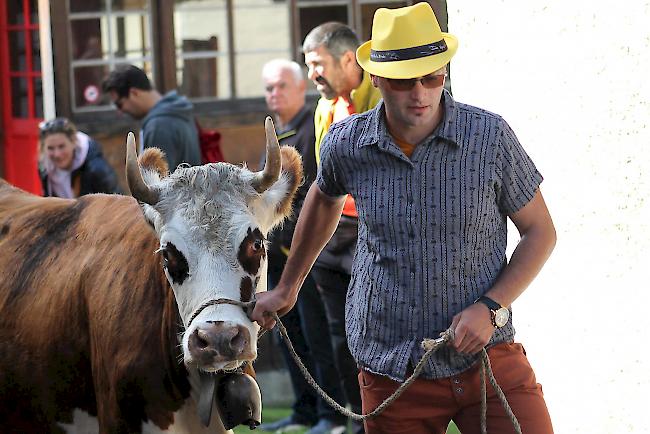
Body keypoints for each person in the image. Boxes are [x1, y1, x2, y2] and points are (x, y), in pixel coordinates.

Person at [253, 3, 557, 434]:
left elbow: (540, 231)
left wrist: (492, 307)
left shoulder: (490, 137)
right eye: (402, 81)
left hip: (487, 356)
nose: (420, 92)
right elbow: (323, 198)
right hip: (390, 361)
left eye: (431, 77)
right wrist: (288, 287)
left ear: (444, 73)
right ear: (377, 79)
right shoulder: (346, 143)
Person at [258, 59, 348, 434]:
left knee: (321, 337)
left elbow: (324, 193)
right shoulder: (276, 135)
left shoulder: (315, 126)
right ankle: (305, 410)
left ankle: (332, 413)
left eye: (281, 86)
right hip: (276, 255)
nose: (274, 94)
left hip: (308, 256)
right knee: (290, 337)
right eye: (268, 88)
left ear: (299, 88)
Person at [300, 21, 382, 434]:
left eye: (317, 64)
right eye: (308, 65)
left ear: (348, 59)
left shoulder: (382, 97)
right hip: (336, 234)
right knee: (339, 337)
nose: (312, 74)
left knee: (376, 330)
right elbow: (325, 180)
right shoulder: (322, 108)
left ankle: (384, 418)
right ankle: (355, 419)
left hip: (372, 232)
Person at [102, 65, 201, 172]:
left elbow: (156, 184)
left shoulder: (159, 126)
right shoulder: (177, 110)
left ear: (134, 93)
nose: (120, 112)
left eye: (119, 104)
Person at [38, 117, 121, 197]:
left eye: (61, 146)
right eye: (50, 148)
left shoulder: (97, 169)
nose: (57, 154)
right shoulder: (45, 170)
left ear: (73, 142)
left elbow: (117, 204)